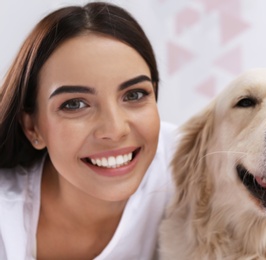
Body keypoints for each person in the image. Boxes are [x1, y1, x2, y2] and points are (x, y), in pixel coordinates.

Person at [0, 2, 176, 259]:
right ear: (32, 127)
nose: (115, 130)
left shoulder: (196, 167)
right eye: (74, 104)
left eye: (135, 94)